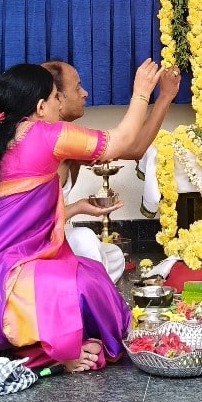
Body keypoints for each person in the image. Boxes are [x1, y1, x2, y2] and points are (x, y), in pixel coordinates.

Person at [0, 59, 163, 373]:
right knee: (76, 286)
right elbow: (122, 142)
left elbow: (12, 220)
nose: (62, 102)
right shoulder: (46, 135)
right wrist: (142, 93)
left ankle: (43, 335)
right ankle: (62, 351)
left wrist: (75, 208)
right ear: (42, 105)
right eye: (57, 98)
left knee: (91, 275)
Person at [42, 58, 182, 281]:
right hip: (35, 240)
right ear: (56, 98)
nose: (85, 93)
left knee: (115, 255)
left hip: (58, 233)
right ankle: (89, 300)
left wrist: (165, 97)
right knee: (85, 238)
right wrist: (142, 93)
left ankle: (89, 285)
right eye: (77, 87)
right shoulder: (48, 138)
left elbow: (134, 149)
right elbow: (34, 222)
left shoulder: (70, 136)